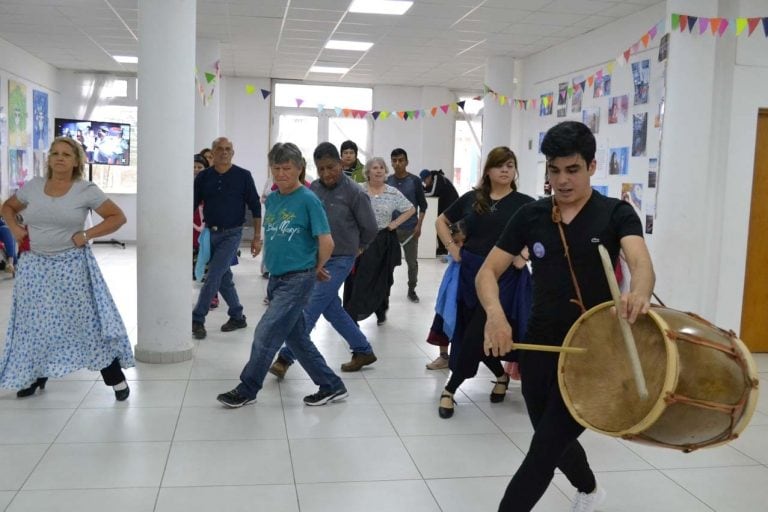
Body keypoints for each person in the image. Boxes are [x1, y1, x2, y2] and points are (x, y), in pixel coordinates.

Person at [476, 121, 655, 512]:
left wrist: (639, 293)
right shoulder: (531, 215)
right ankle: (590, 490)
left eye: (572, 169)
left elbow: (640, 262)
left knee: (542, 451)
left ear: (592, 166)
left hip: (596, 352)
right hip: (539, 345)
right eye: (554, 170)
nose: (562, 180)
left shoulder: (615, 214)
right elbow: (487, 272)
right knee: (549, 434)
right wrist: (496, 314)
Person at [0, 136, 134, 400]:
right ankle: (34, 375)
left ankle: (115, 378)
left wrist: (86, 234)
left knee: (86, 322)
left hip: (70, 264)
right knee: (34, 323)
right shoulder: (34, 186)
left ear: (76, 162)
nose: (60, 158)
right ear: (49, 159)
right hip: (35, 265)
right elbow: (8, 206)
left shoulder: (86, 190)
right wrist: (14, 227)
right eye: (55, 153)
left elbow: (118, 217)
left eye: (66, 154)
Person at [217, 142, 348, 408]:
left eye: (287, 168)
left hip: (298, 279)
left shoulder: (309, 200)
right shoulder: (274, 199)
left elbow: (327, 242)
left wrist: (314, 268)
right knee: (296, 338)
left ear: (299, 169)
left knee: (266, 332)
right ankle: (331, 385)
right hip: (276, 279)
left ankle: (248, 388)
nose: (281, 174)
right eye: (276, 168)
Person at [434, 147, 534, 415]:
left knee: (478, 328)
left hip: (505, 277)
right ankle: (500, 377)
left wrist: (524, 254)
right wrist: (451, 249)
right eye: (500, 165)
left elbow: (540, 235)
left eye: (510, 165)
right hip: (470, 273)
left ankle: (451, 388)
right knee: (472, 330)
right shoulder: (472, 198)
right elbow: (441, 221)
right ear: (488, 170)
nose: (505, 170)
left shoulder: (525, 203)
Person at [269, 142, 379, 377]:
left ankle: (285, 358)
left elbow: (370, 228)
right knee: (330, 307)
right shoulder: (314, 190)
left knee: (311, 305)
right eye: (321, 169)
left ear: (340, 163)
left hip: (341, 258)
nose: (327, 174)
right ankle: (363, 350)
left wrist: (360, 248)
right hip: (316, 258)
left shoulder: (355, 193)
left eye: (331, 167)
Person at [192, 137, 262, 340]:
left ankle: (197, 318)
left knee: (213, 275)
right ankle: (237, 316)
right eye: (220, 149)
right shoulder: (204, 177)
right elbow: (192, 204)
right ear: (212, 153)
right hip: (210, 233)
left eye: (228, 149)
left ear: (233, 152)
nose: (224, 152)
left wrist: (257, 237)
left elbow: (256, 207)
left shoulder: (243, 176)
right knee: (224, 278)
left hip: (232, 234)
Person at [343, 157, 415, 325]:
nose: (379, 170)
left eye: (382, 167)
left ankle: (380, 310)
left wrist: (395, 223)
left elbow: (410, 209)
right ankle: (353, 312)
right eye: (375, 168)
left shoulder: (392, 192)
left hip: (383, 241)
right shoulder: (359, 190)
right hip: (361, 241)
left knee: (383, 278)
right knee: (359, 278)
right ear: (368, 172)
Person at [387, 148, 427, 302]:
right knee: (388, 263)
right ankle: (385, 291)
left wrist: (419, 226)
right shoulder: (388, 181)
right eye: (394, 160)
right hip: (391, 230)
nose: (397, 163)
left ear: (406, 162)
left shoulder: (415, 181)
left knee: (412, 263)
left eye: (401, 160)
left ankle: (412, 289)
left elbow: (423, 206)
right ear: (391, 162)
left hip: (411, 229)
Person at [420, 168, 459, 256]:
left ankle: (452, 249)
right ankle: (443, 249)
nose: (424, 183)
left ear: (429, 177)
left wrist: (420, 193)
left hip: (452, 204)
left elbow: (432, 193)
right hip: (445, 205)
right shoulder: (433, 180)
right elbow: (428, 189)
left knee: (450, 228)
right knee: (439, 225)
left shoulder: (438, 178)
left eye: (424, 180)